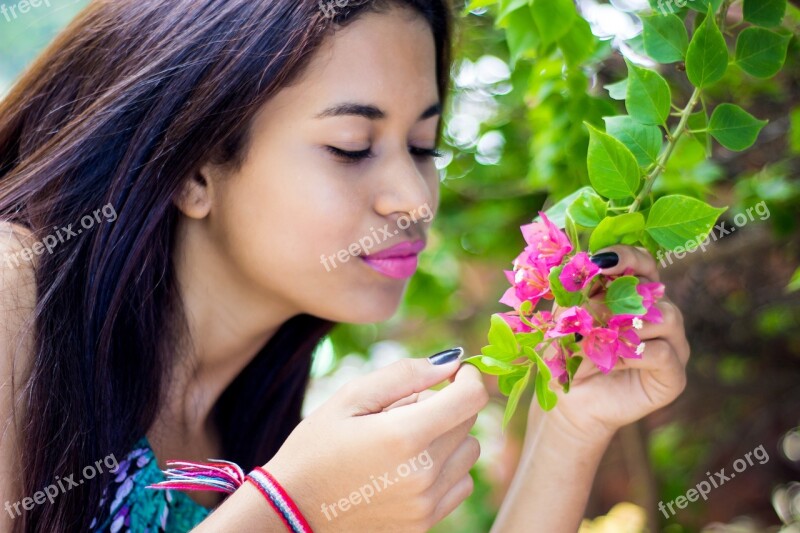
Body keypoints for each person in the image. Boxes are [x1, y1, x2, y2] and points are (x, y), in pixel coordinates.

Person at [0, 0, 690, 531]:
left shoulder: (254, 432)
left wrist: (567, 431)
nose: (415, 199)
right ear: (193, 169)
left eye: (424, 146)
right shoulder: (13, 297)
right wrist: (286, 508)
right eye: (353, 146)